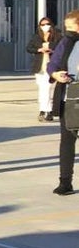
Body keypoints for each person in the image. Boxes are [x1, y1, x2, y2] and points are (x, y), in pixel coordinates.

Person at [47, 10, 79, 194]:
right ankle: (65, 182)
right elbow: (53, 63)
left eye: (71, 26)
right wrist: (55, 74)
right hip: (68, 99)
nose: (68, 30)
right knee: (67, 141)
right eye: (66, 27)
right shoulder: (65, 42)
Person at [28, 17, 63, 122]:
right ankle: (44, 110)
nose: (45, 26)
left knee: (47, 88)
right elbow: (29, 48)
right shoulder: (36, 37)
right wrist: (39, 49)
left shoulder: (57, 36)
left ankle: (48, 111)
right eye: (42, 25)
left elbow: (61, 48)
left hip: (52, 66)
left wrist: (51, 49)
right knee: (42, 89)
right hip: (40, 67)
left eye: (47, 24)